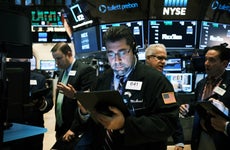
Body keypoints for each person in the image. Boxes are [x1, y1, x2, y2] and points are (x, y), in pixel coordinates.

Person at [74, 26, 179, 150]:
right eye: (111, 54)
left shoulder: (157, 81)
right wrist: (84, 113)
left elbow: (168, 123)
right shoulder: (102, 79)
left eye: (122, 52)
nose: (117, 60)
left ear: (133, 49)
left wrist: (125, 124)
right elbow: (96, 123)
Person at [179, 43, 230, 150]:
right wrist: (189, 107)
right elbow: (199, 104)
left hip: (223, 137)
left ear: (224, 63)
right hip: (201, 135)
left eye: (212, 60)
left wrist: (225, 113)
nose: (206, 63)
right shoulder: (201, 83)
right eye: (206, 59)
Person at [50, 42, 96, 145]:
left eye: (59, 58)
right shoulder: (63, 72)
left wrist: (74, 128)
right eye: (55, 59)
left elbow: (88, 101)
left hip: (75, 129)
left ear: (69, 54)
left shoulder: (85, 70)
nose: (56, 62)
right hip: (61, 127)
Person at [145, 43, 185, 150]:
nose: (163, 62)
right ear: (148, 58)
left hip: (157, 140)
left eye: (165, 59)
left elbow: (171, 112)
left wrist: (179, 141)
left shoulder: (164, 83)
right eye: (159, 58)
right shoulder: (134, 77)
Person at [8, 58, 53, 150]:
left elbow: (49, 102)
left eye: (25, 63)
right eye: (17, 63)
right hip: (12, 129)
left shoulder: (39, 79)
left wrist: (41, 103)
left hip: (34, 128)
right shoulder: (6, 79)